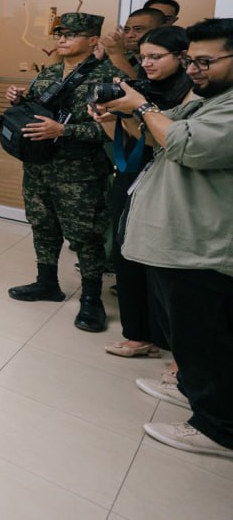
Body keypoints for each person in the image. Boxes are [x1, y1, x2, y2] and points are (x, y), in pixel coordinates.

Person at [100, 18, 233, 460]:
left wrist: (140, 106)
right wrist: (123, 115)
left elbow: (186, 145)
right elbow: (159, 133)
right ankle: (194, 390)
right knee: (189, 334)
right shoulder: (210, 101)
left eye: (205, 62)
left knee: (207, 337)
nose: (194, 70)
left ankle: (218, 428)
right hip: (179, 242)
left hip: (204, 245)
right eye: (192, 60)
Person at [5, 12, 117, 332]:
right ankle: (47, 283)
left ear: (93, 40)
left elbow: (111, 131)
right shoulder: (50, 73)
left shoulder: (108, 77)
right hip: (39, 166)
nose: (63, 39)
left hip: (79, 172)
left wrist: (64, 131)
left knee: (86, 236)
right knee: (42, 225)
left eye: (71, 34)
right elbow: (36, 110)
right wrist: (20, 99)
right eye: (60, 34)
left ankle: (91, 299)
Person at [90, 26, 192, 358]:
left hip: (168, 182)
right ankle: (137, 334)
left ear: (182, 57)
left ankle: (166, 343)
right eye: (144, 56)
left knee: (159, 264)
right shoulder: (142, 87)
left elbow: (166, 141)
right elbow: (136, 140)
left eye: (155, 57)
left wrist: (141, 108)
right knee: (125, 252)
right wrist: (109, 118)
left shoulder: (190, 94)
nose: (146, 63)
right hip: (133, 174)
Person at [99, 7, 164, 80]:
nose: (129, 35)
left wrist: (116, 54)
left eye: (138, 29)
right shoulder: (128, 55)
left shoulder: (166, 58)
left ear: (160, 30)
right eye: (126, 30)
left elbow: (141, 85)